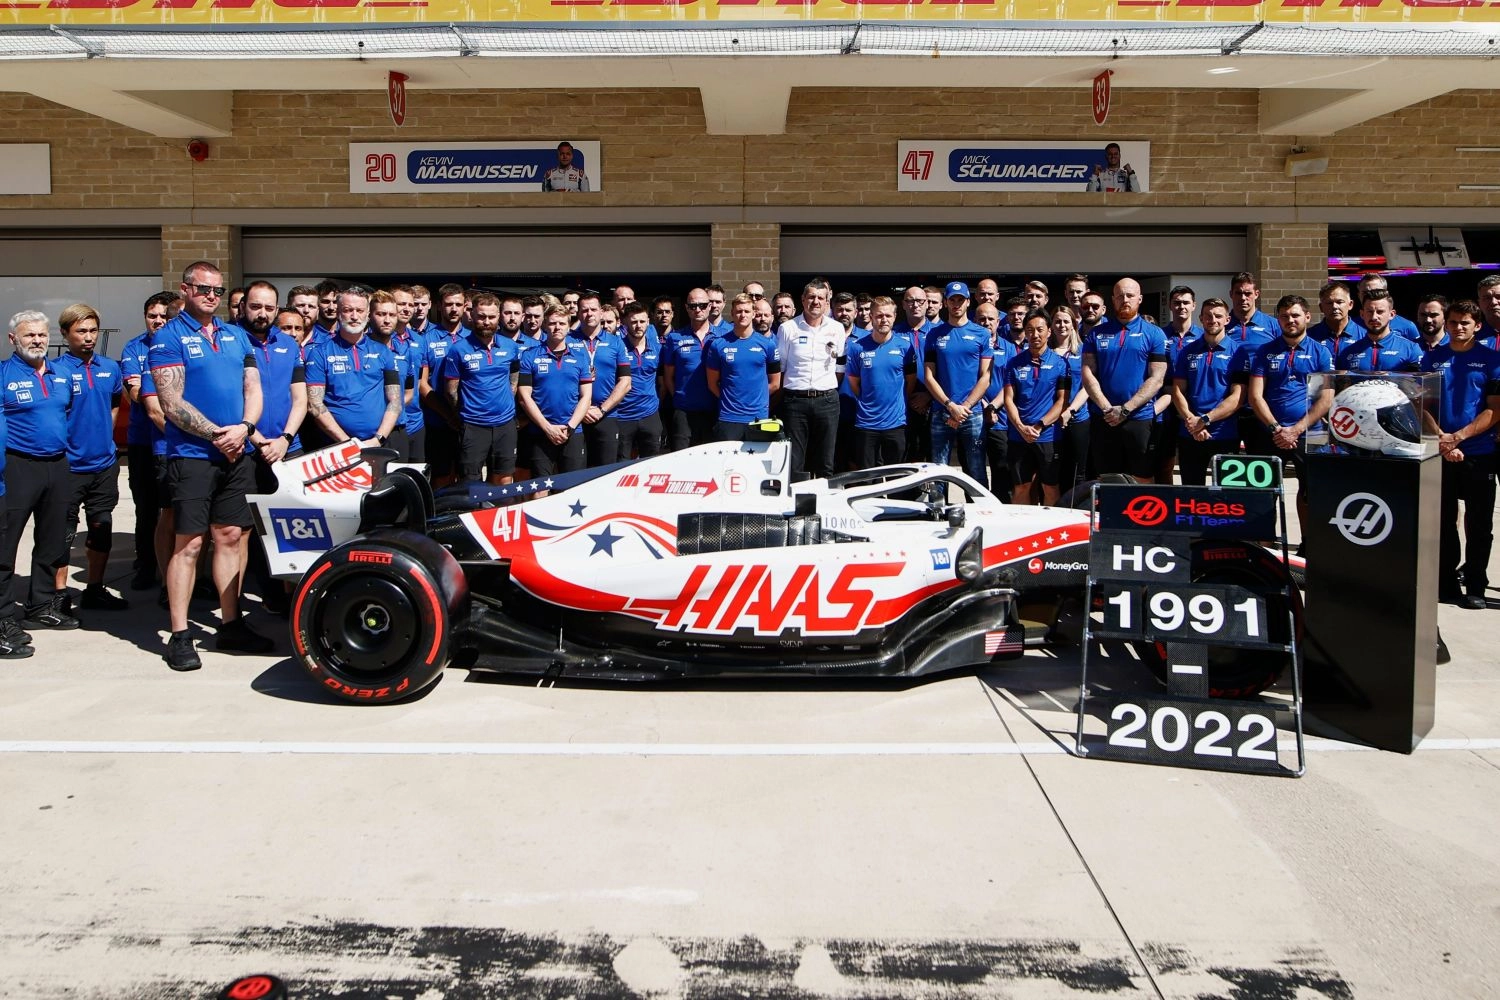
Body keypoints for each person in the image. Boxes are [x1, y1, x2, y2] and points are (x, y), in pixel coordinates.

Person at [149, 261, 272, 669]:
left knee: (231, 536)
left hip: (238, 453)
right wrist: (221, 435)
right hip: (193, 456)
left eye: (218, 290)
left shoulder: (236, 336)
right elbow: (171, 403)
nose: (211, 296)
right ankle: (180, 634)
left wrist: (245, 427)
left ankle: (231, 624)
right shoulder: (168, 337)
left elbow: (252, 388)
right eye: (203, 288)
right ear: (185, 289)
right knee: (190, 544)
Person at [0, 310, 77, 638]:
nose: (37, 341)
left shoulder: (60, 374)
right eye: (29, 335)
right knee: (5, 546)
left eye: (42, 335)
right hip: (18, 467)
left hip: (57, 466)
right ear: (13, 339)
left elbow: (67, 411)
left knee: (51, 541)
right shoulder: (4, 375)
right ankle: (3, 618)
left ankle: (41, 605)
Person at [1422, 300, 1500, 609]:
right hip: (1441, 450)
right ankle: (1446, 583)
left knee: (1479, 523)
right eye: (1453, 322)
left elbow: (1495, 410)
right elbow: (1422, 406)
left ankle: (1476, 585)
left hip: (1480, 452)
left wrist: (1459, 438)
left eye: (1465, 322)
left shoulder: (1493, 360)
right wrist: (1443, 440)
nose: (1459, 327)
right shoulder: (1432, 359)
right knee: (1442, 522)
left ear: (1477, 326)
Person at [1247, 294, 1335, 530]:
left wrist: (1296, 430)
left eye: (1295, 315)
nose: (1290, 320)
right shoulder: (1264, 352)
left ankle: (1308, 544)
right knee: (1263, 495)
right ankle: (1266, 543)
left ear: (1307, 316)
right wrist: (1277, 428)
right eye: (1284, 316)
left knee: (1311, 493)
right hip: (1270, 434)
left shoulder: (1321, 353)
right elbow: (1255, 396)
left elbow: (1326, 398)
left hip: (1311, 433)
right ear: (1278, 320)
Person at [1081, 278, 1167, 481]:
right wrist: (1106, 408)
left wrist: (1126, 409)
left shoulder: (1154, 334)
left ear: (1140, 299)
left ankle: (1142, 514)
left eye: (1130, 295)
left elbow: (1157, 378)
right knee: (1107, 478)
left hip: (1139, 417)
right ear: (1113, 300)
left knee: (1142, 477)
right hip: (1104, 418)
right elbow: (1088, 373)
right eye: (1120, 296)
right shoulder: (1096, 334)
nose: (1125, 300)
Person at [120, 291, 178, 591]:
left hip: (176, 444)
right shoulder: (135, 348)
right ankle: (145, 567)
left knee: (176, 512)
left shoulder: (181, 344)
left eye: (163, 316)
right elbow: (136, 395)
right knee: (147, 510)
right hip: (145, 443)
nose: (157, 321)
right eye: (152, 315)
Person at [304, 287, 403, 449]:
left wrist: (378, 439)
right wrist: (348, 443)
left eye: (360, 310)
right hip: (335, 444)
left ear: (368, 314)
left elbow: (395, 401)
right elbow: (314, 404)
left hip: (378, 443)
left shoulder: (384, 352)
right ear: (338, 312)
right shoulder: (319, 353)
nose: (354, 316)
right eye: (348, 310)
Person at [441, 292, 523, 485]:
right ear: (472, 315)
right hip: (473, 427)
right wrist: (464, 414)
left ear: (498, 317)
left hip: (505, 425)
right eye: (481, 316)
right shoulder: (458, 349)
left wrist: (504, 406)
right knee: (470, 484)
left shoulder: (511, 347)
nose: (486, 321)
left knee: (503, 481)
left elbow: (513, 381)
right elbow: (451, 391)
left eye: (491, 317)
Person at [923, 281, 993, 483]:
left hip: (972, 413)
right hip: (941, 411)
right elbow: (929, 376)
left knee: (976, 470)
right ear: (945, 303)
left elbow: (985, 376)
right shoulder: (934, 334)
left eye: (960, 300)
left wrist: (964, 407)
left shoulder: (982, 333)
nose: (956, 304)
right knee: (939, 472)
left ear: (968, 302)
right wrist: (950, 405)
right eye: (952, 300)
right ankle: (939, 514)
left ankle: (979, 514)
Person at [517, 307, 593, 492]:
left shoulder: (581, 357)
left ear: (568, 327)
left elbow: (586, 397)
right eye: (552, 323)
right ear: (544, 326)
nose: (557, 327)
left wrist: (570, 427)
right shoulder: (529, 355)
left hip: (572, 433)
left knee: (572, 490)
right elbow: (524, 396)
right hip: (540, 432)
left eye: (561, 323)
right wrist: (547, 428)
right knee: (539, 488)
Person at [776, 278, 845, 478]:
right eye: (811, 297)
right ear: (803, 299)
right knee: (795, 462)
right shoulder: (788, 328)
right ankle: (796, 506)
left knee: (825, 460)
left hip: (827, 401)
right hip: (795, 401)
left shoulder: (836, 329)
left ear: (826, 302)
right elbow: (781, 367)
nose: (816, 301)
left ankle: (824, 505)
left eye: (820, 298)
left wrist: (828, 388)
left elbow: (840, 364)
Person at [1171, 298, 1243, 486]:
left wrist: (1204, 420)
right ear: (1201, 319)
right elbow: (1178, 390)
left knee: (1229, 496)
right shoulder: (1187, 351)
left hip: (1224, 434)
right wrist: (1191, 421)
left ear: (1227, 319)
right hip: (1190, 433)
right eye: (1208, 316)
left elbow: (1237, 397)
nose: (1213, 320)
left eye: (1218, 316)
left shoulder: (1239, 352)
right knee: (1191, 493)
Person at [1003, 309, 1071, 506]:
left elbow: (1062, 401)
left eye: (1040, 329)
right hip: (1018, 435)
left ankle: (1053, 533)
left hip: (1048, 435)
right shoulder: (1013, 363)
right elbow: (1009, 399)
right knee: (1021, 487)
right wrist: (1021, 427)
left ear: (1049, 331)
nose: (1035, 335)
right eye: (1030, 330)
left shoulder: (1061, 363)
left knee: (1050, 487)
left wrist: (1040, 426)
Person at [845, 296, 915, 468]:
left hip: (896, 423)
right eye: (879, 316)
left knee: (896, 477)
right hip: (866, 423)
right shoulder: (856, 347)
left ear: (895, 316)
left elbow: (910, 381)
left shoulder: (905, 346)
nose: (884, 320)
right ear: (871, 316)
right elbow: (854, 383)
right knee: (867, 479)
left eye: (888, 316)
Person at [706, 293, 781, 440]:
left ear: (753, 314)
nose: (742, 315)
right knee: (728, 463)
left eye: (746, 311)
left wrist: (755, 398)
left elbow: (775, 384)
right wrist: (731, 400)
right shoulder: (718, 345)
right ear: (732, 313)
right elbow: (712, 383)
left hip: (758, 417)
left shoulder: (768, 345)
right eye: (739, 311)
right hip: (728, 417)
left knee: (756, 463)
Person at [570, 293, 632, 466]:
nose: (589, 314)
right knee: (575, 473)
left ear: (600, 312)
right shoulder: (566, 340)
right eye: (584, 310)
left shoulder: (616, 342)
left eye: (593, 309)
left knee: (605, 472)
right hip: (575, 416)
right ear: (578, 313)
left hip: (606, 416)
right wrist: (583, 409)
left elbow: (625, 382)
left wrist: (601, 410)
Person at [1155, 285, 1202, 484]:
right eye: (1177, 303)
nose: (1181, 306)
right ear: (1170, 306)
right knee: (1163, 463)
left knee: (1191, 465)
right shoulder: (1158, 335)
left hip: (1192, 409)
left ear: (1193, 306)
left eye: (1185, 302)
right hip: (1164, 409)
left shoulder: (1203, 337)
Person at [664, 288, 720, 450]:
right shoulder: (675, 338)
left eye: (702, 305)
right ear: (686, 308)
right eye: (693, 305)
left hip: (714, 410)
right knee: (681, 463)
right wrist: (679, 397)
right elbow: (668, 376)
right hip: (684, 412)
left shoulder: (723, 336)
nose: (698, 309)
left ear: (710, 306)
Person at [976, 302, 1017, 498]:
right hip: (973, 414)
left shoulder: (1009, 349)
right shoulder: (969, 346)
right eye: (982, 319)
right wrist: (981, 404)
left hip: (1000, 420)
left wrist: (991, 407)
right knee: (975, 471)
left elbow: (1010, 385)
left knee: (1001, 470)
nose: (986, 323)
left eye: (990, 319)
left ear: (998, 321)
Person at [1050, 305, 1091, 492]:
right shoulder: (1044, 351)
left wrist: (1070, 410)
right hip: (1050, 420)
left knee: (1077, 471)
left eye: (1066, 321)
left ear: (1074, 325)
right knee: (1053, 471)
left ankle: (1076, 509)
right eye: (1057, 321)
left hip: (1078, 417)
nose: (1062, 325)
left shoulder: (1083, 352)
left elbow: (1088, 387)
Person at [616, 302, 663, 460]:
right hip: (623, 415)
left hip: (650, 414)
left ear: (648, 322)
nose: (638, 326)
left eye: (642, 321)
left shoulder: (657, 348)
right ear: (625, 323)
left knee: (651, 464)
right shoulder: (617, 348)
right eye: (634, 322)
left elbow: (662, 380)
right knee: (620, 467)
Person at [1337, 289, 1423, 373]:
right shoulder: (1348, 351)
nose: (1374, 317)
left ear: (1392, 314)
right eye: (1370, 311)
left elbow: (1419, 385)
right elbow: (1341, 385)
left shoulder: (1410, 349)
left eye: (1380, 312)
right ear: (1362, 314)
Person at [1309, 281, 1366, 360]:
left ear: (1350, 305)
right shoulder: (1309, 336)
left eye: (1339, 302)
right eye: (1329, 303)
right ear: (1321, 307)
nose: (1335, 306)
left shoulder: (1364, 336)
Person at [1357, 274, 1420, 341]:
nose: (1371, 296)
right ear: (1358, 295)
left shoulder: (1407, 326)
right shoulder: (1349, 325)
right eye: (1365, 293)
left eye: (1377, 291)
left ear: (1386, 293)